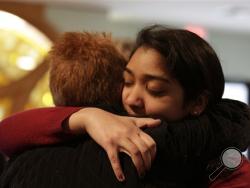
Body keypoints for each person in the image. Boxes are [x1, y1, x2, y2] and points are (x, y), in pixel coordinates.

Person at [1, 25, 250, 187]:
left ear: (197, 102)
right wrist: (87, 117)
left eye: (155, 89)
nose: (132, 98)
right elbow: (8, 132)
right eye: (128, 81)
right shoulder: (104, 121)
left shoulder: (227, 170)